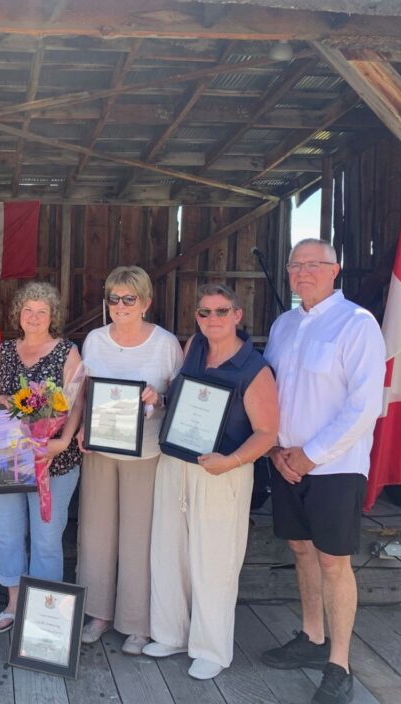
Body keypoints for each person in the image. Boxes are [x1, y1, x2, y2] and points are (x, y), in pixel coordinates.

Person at [261, 239, 385, 704]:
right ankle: (312, 638)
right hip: (286, 462)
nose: (303, 273)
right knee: (301, 550)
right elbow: (269, 394)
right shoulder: (284, 325)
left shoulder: (357, 325)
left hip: (334, 466)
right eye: (296, 265)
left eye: (314, 265)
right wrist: (275, 450)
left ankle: (340, 663)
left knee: (334, 561)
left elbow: (364, 406)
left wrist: (311, 455)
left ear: (337, 270)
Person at [146, 283, 279, 680]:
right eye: (204, 312)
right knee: (169, 550)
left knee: (215, 559)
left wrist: (232, 460)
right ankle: (170, 633)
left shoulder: (255, 369)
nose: (212, 319)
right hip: (176, 461)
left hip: (223, 470)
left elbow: (268, 432)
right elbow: (180, 397)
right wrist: (159, 400)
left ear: (238, 315)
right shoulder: (194, 348)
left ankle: (211, 648)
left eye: (221, 312)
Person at [76, 266, 183, 655]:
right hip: (101, 451)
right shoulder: (94, 340)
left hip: (146, 453)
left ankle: (136, 622)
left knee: (139, 538)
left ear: (145, 302)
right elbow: (84, 393)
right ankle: (99, 613)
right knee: (96, 535)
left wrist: (158, 399)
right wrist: (81, 429)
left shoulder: (166, 343)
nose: (120, 306)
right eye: (114, 298)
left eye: (128, 299)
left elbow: (178, 399)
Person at [0, 281, 84, 634]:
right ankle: (13, 604)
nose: (35, 317)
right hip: (9, 457)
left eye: (42, 311)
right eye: (28, 310)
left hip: (54, 459)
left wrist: (64, 439)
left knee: (45, 537)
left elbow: (75, 401)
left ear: (52, 315)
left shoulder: (67, 351)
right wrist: (18, 402)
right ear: (19, 314)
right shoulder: (7, 350)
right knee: (9, 535)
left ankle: (45, 615)